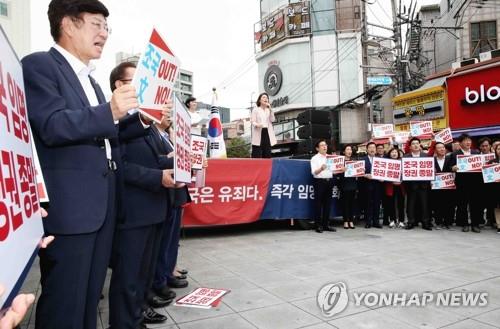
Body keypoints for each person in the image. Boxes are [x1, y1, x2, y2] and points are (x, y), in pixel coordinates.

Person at [21, 1, 148, 328]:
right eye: (96, 24)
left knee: (89, 301)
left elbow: (107, 136)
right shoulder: (40, 66)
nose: (104, 34)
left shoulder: (90, 82)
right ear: (68, 24)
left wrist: (145, 120)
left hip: (102, 210)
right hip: (71, 213)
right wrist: (110, 112)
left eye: (107, 27)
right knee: (65, 305)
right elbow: (52, 124)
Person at [107, 63, 174, 329]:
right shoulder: (113, 119)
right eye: (136, 80)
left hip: (154, 208)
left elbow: (151, 157)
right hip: (133, 211)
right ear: (119, 86)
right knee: (128, 276)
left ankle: (136, 319)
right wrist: (158, 176)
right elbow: (120, 167)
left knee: (143, 273)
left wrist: (170, 162)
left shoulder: (143, 120)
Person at [449, 133, 482, 233]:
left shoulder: (476, 153)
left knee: (475, 204)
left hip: (475, 183)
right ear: (460, 143)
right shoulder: (455, 154)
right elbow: (450, 167)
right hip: (462, 183)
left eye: (469, 140)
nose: (468, 142)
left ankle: (475, 224)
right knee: (462, 204)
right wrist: (453, 168)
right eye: (465, 140)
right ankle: (464, 224)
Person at [403, 137, 432, 230]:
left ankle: (425, 222)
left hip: (424, 185)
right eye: (413, 144)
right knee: (410, 205)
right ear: (410, 146)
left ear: (420, 145)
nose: (415, 145)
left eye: (417, 143)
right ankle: (411, 222)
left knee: (425, 204)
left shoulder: (426, 156)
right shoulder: (406, 157)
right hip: (411, 185)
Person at [310, 140, 336, 233]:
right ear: (317, 148)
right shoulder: (314, 158)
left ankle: (326, 225)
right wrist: (321, 168)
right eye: (322, 145)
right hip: (319, 182)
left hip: (329, 181)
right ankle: (318, 225)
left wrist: (341, 169)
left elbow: (334, 171)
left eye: (325, 145)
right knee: (318, 204)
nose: (325, 147)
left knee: (328, 204)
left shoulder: (331, 157)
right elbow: (314, 172)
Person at [431, 142, 454, 229]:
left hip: (448, 186)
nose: (442, 149)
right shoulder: (432, 160)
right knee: (437, 204)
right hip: (436, 186)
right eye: (439, 148)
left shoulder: (450, 158)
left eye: (443, 147)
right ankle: (438, 222)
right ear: (435, 150)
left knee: (448, 204)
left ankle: (448, 222)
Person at [361, 142, 383, 229]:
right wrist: (365, 175)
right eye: (370, 147)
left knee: (377, 203)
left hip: (378, 184)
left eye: (374, 147)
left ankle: (376, 221)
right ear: (367, 149)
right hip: (367, 185)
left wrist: (383, 178)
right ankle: (368, 221)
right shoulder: (362, 160)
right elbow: (359, 172)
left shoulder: (381, 160)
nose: (372, 149)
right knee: (368, 203)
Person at [384, 148, 405, 228]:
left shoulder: (403, 162)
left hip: (401, 186)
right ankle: (392, 220)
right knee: (391, 204)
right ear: (389, 154)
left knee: (401, 204)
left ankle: (401, 221)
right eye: (392, 152)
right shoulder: (387, 163)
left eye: (396, 152)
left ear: (398, 154)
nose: (394, 153)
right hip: (390, 186)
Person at [251, 92, 277, 158]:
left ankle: (267, 167)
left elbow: (272, 120)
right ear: (259, 100)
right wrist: (257, 125)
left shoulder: (269, 110)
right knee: (257, 152)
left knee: (267, 152)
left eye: (267, 98)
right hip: (259, 131)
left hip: (267, 132)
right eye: (263, 97)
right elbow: (252, 121)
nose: (266, 99)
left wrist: (271, 109)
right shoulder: (256, 109)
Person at [339, 145, 357, 229]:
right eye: (348, 149)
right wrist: (341, 170)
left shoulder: (354, 161)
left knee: (352, 204)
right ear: (344, 151)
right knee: (345, 203)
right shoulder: (340, 161)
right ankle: (345, 221)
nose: (349, 151)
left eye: (350, 149)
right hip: (344, 184)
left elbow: (358, 172)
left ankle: (351, 221)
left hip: (353, 184)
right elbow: (335, 173)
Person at [487, 143, 500, 233]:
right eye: (498, 149)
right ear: (496, 151)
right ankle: (499, 225)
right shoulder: (492, 162)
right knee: (497, 207)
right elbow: (488, 175)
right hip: (496, 188)